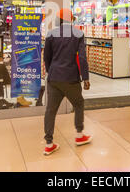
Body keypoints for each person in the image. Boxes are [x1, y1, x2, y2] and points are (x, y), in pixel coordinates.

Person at [43, 8, 92, 155]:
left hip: (54, 78)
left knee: (50, 110)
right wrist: (86, 78)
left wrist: (51, 71)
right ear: (71, 20)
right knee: (78, 103)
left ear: (59, 20)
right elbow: (82, 59)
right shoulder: (78, 34)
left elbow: (47, 57)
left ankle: (49, 143)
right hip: (71, 78)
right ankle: (79, 135)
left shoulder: (51, 34)